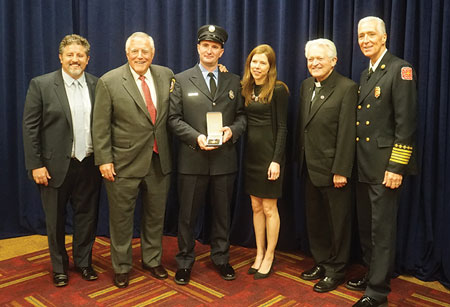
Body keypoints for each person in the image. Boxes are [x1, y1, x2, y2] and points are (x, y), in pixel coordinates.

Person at [92, 32, 174, 288]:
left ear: (153, 54)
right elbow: (100, 126)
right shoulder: (109, 81)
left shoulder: (166, 75)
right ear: (127, 54)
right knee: (121, 219)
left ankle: (152, 259)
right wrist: (104, 159)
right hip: (122, 163)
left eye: (145, 52)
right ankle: (122, 266)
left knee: (155, 216)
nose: (140, 56)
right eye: (135, 51)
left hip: (159, 160)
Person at [168, 24, 246, 285]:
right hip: (192, 159)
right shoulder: (180, 79)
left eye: (215, 47)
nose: (209, 50)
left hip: (224, 160)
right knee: (187, 215)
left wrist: (231, 132)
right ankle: (184, 261)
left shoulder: (234, 81)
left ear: (221, 51)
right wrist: (196, 138)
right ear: (198, 48)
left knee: (222, 213)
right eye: (205, 45)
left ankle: (221, 258)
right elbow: (174, 119)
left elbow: (243, 117)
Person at [347, 16, 417, 307]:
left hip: (385, 167)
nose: (365, 40)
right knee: (366, 228)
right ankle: (371, 273)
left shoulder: (400, 70)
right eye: (361, 35)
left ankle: (377, 292)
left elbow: (407, 124)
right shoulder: (366, 74)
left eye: (371, 35)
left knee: (382, 230)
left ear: (384, 37)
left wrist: (396, 167)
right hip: (364, 165)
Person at [22, 34, 101, 287]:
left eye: (80, 55)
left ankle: (84, 262)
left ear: (87, 60)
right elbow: (30, 128)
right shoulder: (41, 85)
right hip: (53, 167)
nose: (75, 59)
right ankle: (59, 267)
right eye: (70, 55)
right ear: (61, 58)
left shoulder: (98, 85)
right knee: (55, 221)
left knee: (87, 217)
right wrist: (35, 164)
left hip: (89, 163)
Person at [296, 38, 358, 292]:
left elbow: (346, 133)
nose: (314, 63)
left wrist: (341, 169)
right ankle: (321, 262)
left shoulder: (347, 88)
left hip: (334, 171)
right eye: (310, 59)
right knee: (316, 221)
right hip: (309, 167)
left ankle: (337, 269)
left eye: (319, 58)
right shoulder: (306, 85)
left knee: (338, 223)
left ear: (334, 61)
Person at [241, 44, 289, 279]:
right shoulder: (246, 88)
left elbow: (282, 128)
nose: (257, 66)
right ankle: (258, 253)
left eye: (262, 62)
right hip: (251, 157)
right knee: (255, 207)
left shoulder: (278, 90)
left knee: (270, 208)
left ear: (270, 66)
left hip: (270, 159)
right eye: (254, 62)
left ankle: (270, 255)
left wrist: (276, 160)